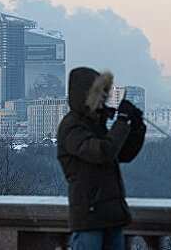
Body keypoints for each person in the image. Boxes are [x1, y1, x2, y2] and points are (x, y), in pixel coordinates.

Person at [57, 67, 146, 250]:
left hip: (110, 216)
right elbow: (102, 153)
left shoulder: (96, 125)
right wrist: (121, 121)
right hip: (89, 218)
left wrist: (136, 127)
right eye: (100, 96)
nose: (104, 101)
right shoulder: (72, 128)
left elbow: (123, 154)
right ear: (86, 97)